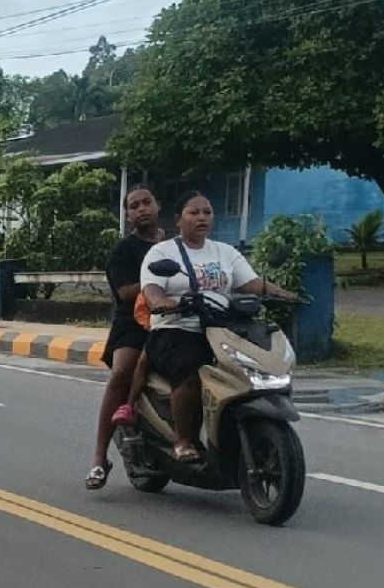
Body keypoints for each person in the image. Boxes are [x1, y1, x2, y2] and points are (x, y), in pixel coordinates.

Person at [139, 191, 298, 462]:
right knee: (193, 371)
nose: (202, 217)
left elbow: (252, 283)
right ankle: (183, 439)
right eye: (194, 212)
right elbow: (152, 288)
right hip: (177, 328)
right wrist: (161, 301)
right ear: (179, 219)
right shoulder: (162, 252)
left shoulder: (225, 251)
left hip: (221, 328)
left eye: (207, 212)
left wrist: (285, 294)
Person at [85, 184, 164, 489]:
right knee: (122, 372)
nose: (142, 208)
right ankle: (99, 457)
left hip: (177, 318)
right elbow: (125, 292)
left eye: (147, 202)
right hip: (134, 323)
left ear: (158, 206)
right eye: (135, 205)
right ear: (128, 214)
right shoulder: (124, 251)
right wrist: (156, 287)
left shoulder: (175, 245)